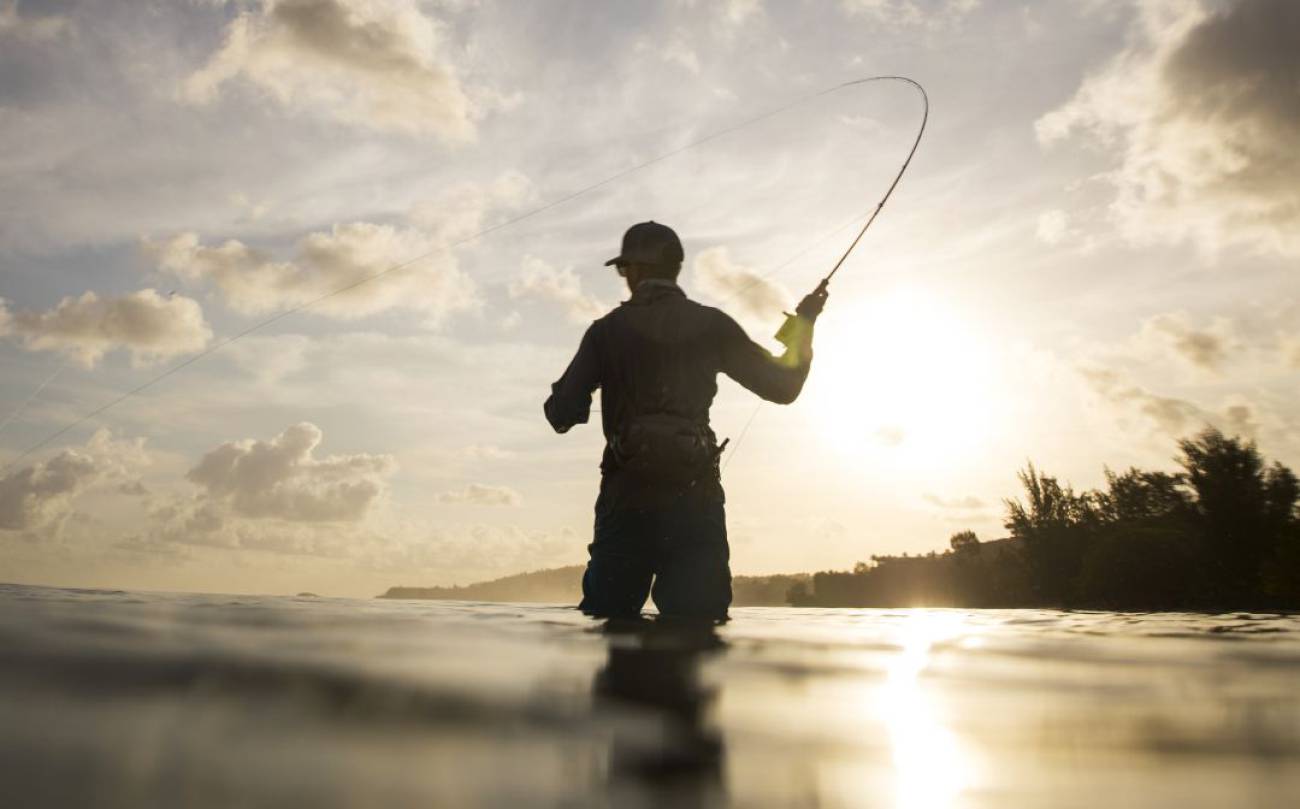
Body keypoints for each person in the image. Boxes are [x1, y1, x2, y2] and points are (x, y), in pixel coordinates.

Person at [544, 221, 827, 621]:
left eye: (624, 270)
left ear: (636, 271)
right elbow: (783, 387)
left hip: (626, 499)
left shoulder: (605, 332)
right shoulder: (712, 325)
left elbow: (560, 415)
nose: (625, 278)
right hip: (695, 497)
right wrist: (804, 324)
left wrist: (571, 397)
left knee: (608, 620)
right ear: (674, 268)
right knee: (699, 628)